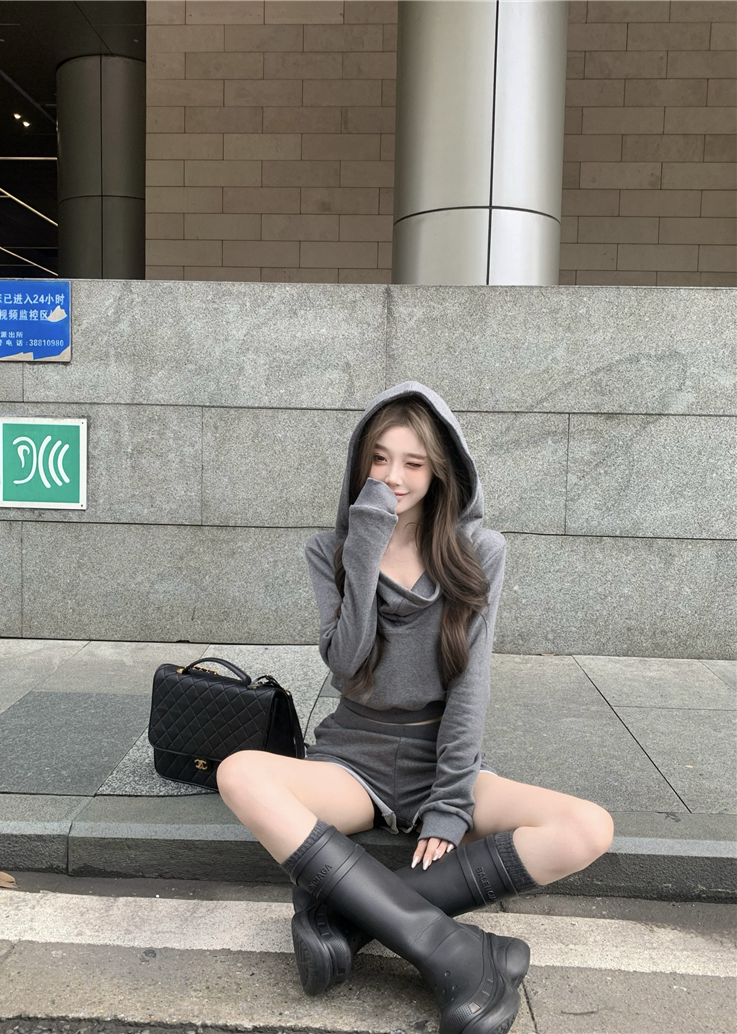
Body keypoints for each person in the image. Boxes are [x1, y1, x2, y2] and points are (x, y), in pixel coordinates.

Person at [217, 381, 614, 1034]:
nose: (393, 477)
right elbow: (346, 664)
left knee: (586, 828)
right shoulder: (329, 549)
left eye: (412, 462)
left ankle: (345, 920)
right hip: (354, 760)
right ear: (361, 464)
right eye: (379, 459)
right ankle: (451, 949)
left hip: (443, 758)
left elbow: (470, 686)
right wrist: (364, 545)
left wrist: (451, 803)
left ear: (439, 470)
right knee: (238, 773)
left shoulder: (479, 553)